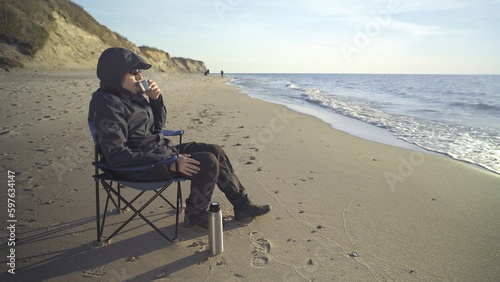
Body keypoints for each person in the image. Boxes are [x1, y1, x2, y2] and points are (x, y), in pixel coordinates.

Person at [88, 47, 270, 228]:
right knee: (207, 162)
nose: (139, 77)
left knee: (215, 150)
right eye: (134, 72)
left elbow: (157, 128)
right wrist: (170, 161)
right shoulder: (106, 104)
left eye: (141, 72)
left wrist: (155, 100)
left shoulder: (135, 96)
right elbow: (117, 155)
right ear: (115, 73)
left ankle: (242, 205)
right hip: (138, 166)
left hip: (158, 152)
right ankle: (195, 215)